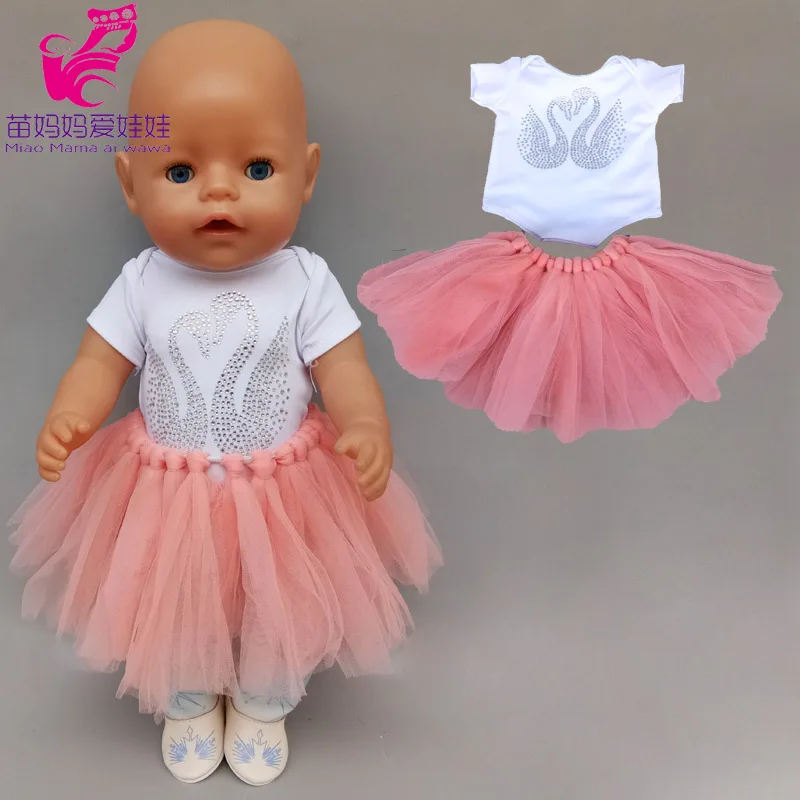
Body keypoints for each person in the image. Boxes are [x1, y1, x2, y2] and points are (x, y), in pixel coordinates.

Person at [9, 18, 442, 786]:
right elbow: (98, 361)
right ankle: (185, 694)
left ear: (306, 175)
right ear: (130, 182)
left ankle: (265, 699)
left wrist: (366, 424)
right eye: (180, 171)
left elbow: (344, 367)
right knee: (172, 596)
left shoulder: (304, 280)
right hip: (165, 491)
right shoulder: (144, 281)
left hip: (282, 491)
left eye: (257, 167)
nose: (218, 190)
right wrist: (71, 416)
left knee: (277, 601)